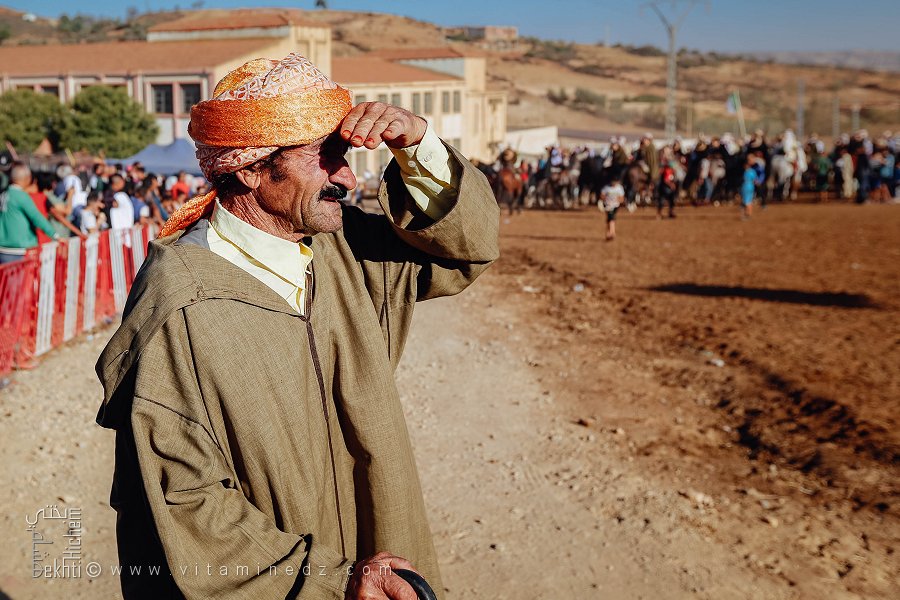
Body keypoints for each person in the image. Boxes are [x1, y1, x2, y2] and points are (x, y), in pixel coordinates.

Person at [95, 53, 498, 600]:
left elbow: (464, 252)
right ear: (250, 168)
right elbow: (184, 503)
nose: (349, 177)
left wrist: (418, 145)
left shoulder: (349, 250)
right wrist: (333, 582)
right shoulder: (180, 307)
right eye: (325, 157)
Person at [0, 162, 58, 263]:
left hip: (3, 247)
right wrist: (55, 235)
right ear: (27, 178)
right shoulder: (21, 196)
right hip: (19, 249)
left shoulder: (4, 194)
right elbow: (36, 217)